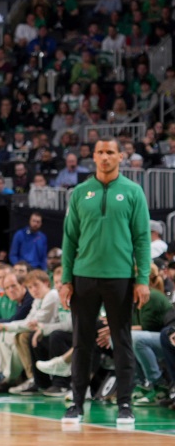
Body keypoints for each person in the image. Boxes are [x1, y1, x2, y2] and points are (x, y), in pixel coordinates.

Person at [60, 140, 152, 426]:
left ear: (121, 157)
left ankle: (125, 404)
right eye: (100, 152)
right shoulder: (79, 193)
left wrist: (143, 279)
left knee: (122, 341)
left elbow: (142, 239)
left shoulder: (133, 192)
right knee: (82, 343)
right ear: (94, 157)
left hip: (121, 277)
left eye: (110, 152)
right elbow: (69, 239)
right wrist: (66, 279)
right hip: (83, 276)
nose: (104, 157)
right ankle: (76, 403)